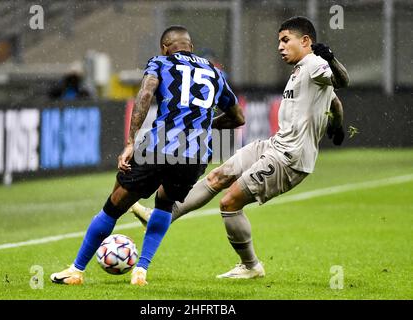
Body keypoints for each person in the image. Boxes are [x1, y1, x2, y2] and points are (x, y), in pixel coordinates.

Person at [131, 16, 349, 279]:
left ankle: (251, 265)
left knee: (230, 202)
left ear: (305, 41)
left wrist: (332, 59)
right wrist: (337, 125)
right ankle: (163, 214)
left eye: (285, 40)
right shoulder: (301, 69)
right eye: (279, 41)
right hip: (274, 144)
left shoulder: (315, 64)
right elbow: (334, 100)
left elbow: (342, 81)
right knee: (218, 175)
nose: (280, 46)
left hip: (290, 158)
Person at [50, 25, 245, 286]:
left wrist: (131, 141)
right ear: (191, 47)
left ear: (165, 47)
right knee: (164, 204)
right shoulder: (215, 72)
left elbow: (145, 94)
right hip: (196, 154)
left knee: (114, 203)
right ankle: (141, 270)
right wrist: (204, 126)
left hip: (162, 145)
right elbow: (237, 118)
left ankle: (76, 270)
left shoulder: (160, 62)